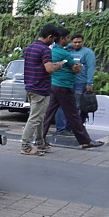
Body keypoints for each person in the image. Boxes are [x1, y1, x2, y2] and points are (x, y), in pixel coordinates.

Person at [42, 28, 104, 150]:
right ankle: (85, 141)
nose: (70, 41)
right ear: (62, 39)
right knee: (74, 114)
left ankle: (40, 138)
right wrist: (79, 68)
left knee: (48, 114)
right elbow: (75, 69)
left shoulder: (52, 51)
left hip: (54, 85)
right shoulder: (65, 54)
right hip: (64, 86)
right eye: (68, 38)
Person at [20, 24, 67, 156]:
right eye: (53, 39)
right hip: (41, 88)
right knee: (35, 118)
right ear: (49, 37)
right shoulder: (45, 50)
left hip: (30, 87)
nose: (53, 42)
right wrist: (59, 65)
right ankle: (25, 146)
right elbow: (49, 69)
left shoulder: (29, 48)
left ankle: (40, 143)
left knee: (39, 117)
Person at [54, 33, 96, 134]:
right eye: (75, 42)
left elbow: (91, 68)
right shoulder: (66, 51)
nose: (77, 44)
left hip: (80, 83)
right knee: (61, 105)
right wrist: (68, 46)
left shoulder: (87, 53)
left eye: (79, 42)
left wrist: (89, 83)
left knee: (76, 106)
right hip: (66, 82)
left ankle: (71, 127)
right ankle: (61, 128)